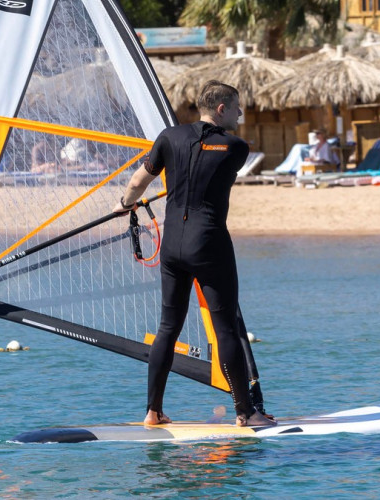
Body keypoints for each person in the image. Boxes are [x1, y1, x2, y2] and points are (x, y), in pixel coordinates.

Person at [113, 80, 276, 428]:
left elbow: (138, 182)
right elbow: (207, 165)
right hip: (209, 245)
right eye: (236, 107)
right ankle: (246, 413)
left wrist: (125, 204)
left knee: (168, 327)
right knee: (225, 328)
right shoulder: (236, 147)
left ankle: (153, 412)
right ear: (221, 109)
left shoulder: (168, 137)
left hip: (173, 246)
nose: (240, 113)